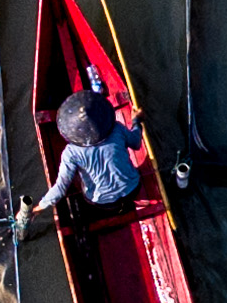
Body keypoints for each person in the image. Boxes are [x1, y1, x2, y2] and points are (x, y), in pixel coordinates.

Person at [31, 86, 145, 218]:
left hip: (103, 202)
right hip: (133, 189)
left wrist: (37, 209)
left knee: (76, 180)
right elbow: (136, 143)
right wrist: (137, 121)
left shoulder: (71, 153)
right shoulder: (117, 128)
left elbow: (60, 189)